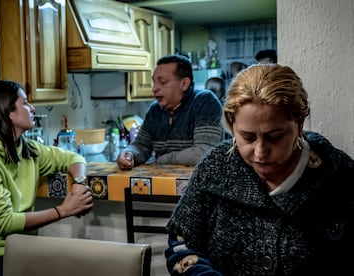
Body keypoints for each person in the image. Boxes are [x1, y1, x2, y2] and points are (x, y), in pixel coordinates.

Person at [164, 64, 354, 275]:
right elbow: (181, 244)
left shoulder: (340, 175)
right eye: (247, 137)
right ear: (231, 124)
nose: (260, 152)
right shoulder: (215, 168)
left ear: (299, 124)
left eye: (274, 137)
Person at [0, 80, 93, 275]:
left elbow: (72, 157)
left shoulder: (23, 147)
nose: (32, 108)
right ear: (8, 112)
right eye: (26, 103)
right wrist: (64, 210)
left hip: (16, 248)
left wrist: (79, 182)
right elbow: (6, 223)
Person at [116, 54, 223, 170]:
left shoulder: (205, 101)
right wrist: (129, 154)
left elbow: (205, 152)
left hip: (197, 185)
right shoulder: (155, 110)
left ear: (184, 84)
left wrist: (163, 159)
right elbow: (141, 146)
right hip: (163, 183)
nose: (154, 88)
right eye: (154, 82)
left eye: (162, 82)